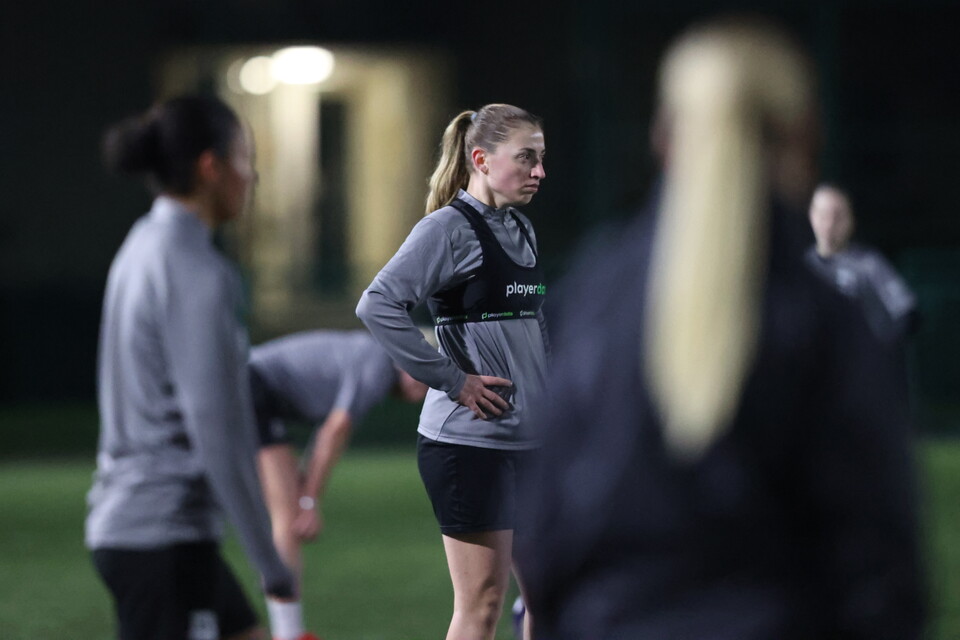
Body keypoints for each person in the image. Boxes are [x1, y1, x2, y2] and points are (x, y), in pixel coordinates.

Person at [515, 19, 925, 640]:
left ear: (663, 137)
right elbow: (879, 564)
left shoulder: (595, 294)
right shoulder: (827, 320)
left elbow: (546, 528)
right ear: (803, 138)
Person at [85, 95, 315, 640]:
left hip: (145, 531)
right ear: (210, 168)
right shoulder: (197, 271)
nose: (252, 177)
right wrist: (269, 560)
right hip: (163, 539)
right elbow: (217, 431)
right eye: (244, 159)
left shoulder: (142, 244)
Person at [356, 103, 549, 640]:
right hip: (470, 445)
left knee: (551, 595)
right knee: (482, 605)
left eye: (541, 158)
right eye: (526, 157)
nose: (539, 171)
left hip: (533, 443)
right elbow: (377, 305)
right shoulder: (446, 228)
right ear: (481, 160)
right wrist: (453, 380)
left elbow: (534, 325)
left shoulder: (522, 227)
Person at [249, 329, 428, 585]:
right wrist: (310, 501)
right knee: (288, 516)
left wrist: (306, 488)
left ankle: (284, 605)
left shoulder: (376, 362)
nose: (429, 382)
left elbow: (329, 432)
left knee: (287, 512)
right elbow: (335, 429)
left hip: (254, 389)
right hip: (250, 384)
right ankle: (283, 609)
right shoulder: (379, 365)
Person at [806, 183, 918, 345]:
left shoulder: (869, 264)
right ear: (811, 215)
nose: (829, 224)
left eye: (838, 216)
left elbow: (906, 312)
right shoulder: (801, 265)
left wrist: (877, 347)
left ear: (851, 220)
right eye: (823, 215)